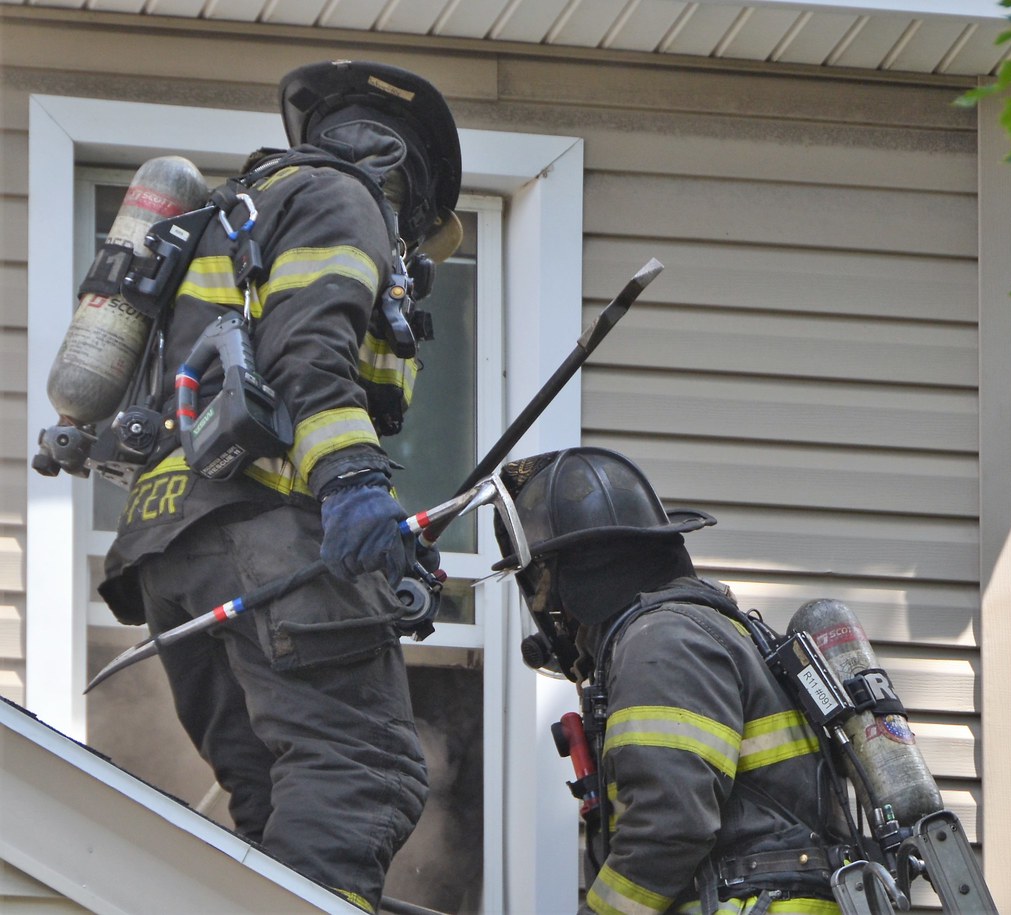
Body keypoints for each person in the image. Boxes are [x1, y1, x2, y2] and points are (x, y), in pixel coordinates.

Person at [95, 60, 462, 913]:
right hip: (263, 530)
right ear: (397, 167)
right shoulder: (342, 199)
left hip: (170, 549)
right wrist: (353, 482)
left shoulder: (237, 218)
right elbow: (307, 354)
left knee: (270, 802)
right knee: (363, 771)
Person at [493, 447, 845, 915]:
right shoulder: (700, 627)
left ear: (574, 577)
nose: (547, 610)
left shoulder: (660, 642)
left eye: (542, 586)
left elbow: (671, 824)